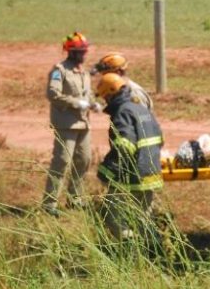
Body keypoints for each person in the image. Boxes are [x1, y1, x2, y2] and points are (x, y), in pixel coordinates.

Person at [95, 73, 164, 242]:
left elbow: (125, 144)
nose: (105, 100)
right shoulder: (140, 108)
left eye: (105, 96)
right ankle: (154, 252)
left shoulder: (122, 111)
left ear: (111, 93)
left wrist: (108, 169)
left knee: (110, 215)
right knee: (144, 217)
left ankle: (129, 246)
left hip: (134, 173)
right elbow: (160, 138)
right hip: (151, 171)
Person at [42, 32, 97, 216]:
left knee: (84, 160)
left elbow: (86, 93)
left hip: (83, 123)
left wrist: (93, 102)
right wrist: (75, 102)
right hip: (66, 123)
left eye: (84, 51)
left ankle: (75, 199)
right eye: (80, 52)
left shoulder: (84, 72)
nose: (84, 55)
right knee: (62, 161)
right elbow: (53, 94)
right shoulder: (60, 70)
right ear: (71, 52)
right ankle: (49, 204)